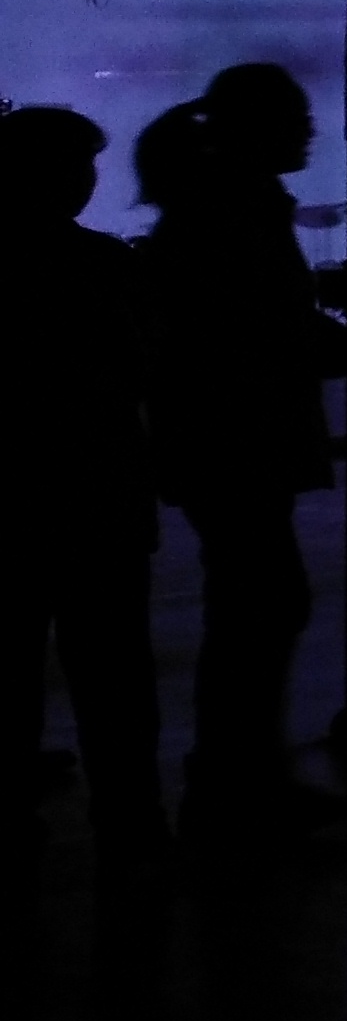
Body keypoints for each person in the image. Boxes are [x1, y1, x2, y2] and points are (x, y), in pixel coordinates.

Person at [136, 64, 347, 856]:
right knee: (261, 605)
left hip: (220, 440)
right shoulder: (236, 212)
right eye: (297, 117)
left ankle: (236, 777)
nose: (310, 131)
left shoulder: (213, 207)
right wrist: (324, 341)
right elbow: (245, 331)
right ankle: (236, 783)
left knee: (255, 603)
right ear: (261, 129)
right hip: (239, 438)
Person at [3, 105, 169, 880]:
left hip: (27, 498)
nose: (87, 180)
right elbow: (141, 368)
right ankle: (131, 826)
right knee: (114, 679)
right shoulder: (101, 265)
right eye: (78, 166)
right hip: (98, 495)